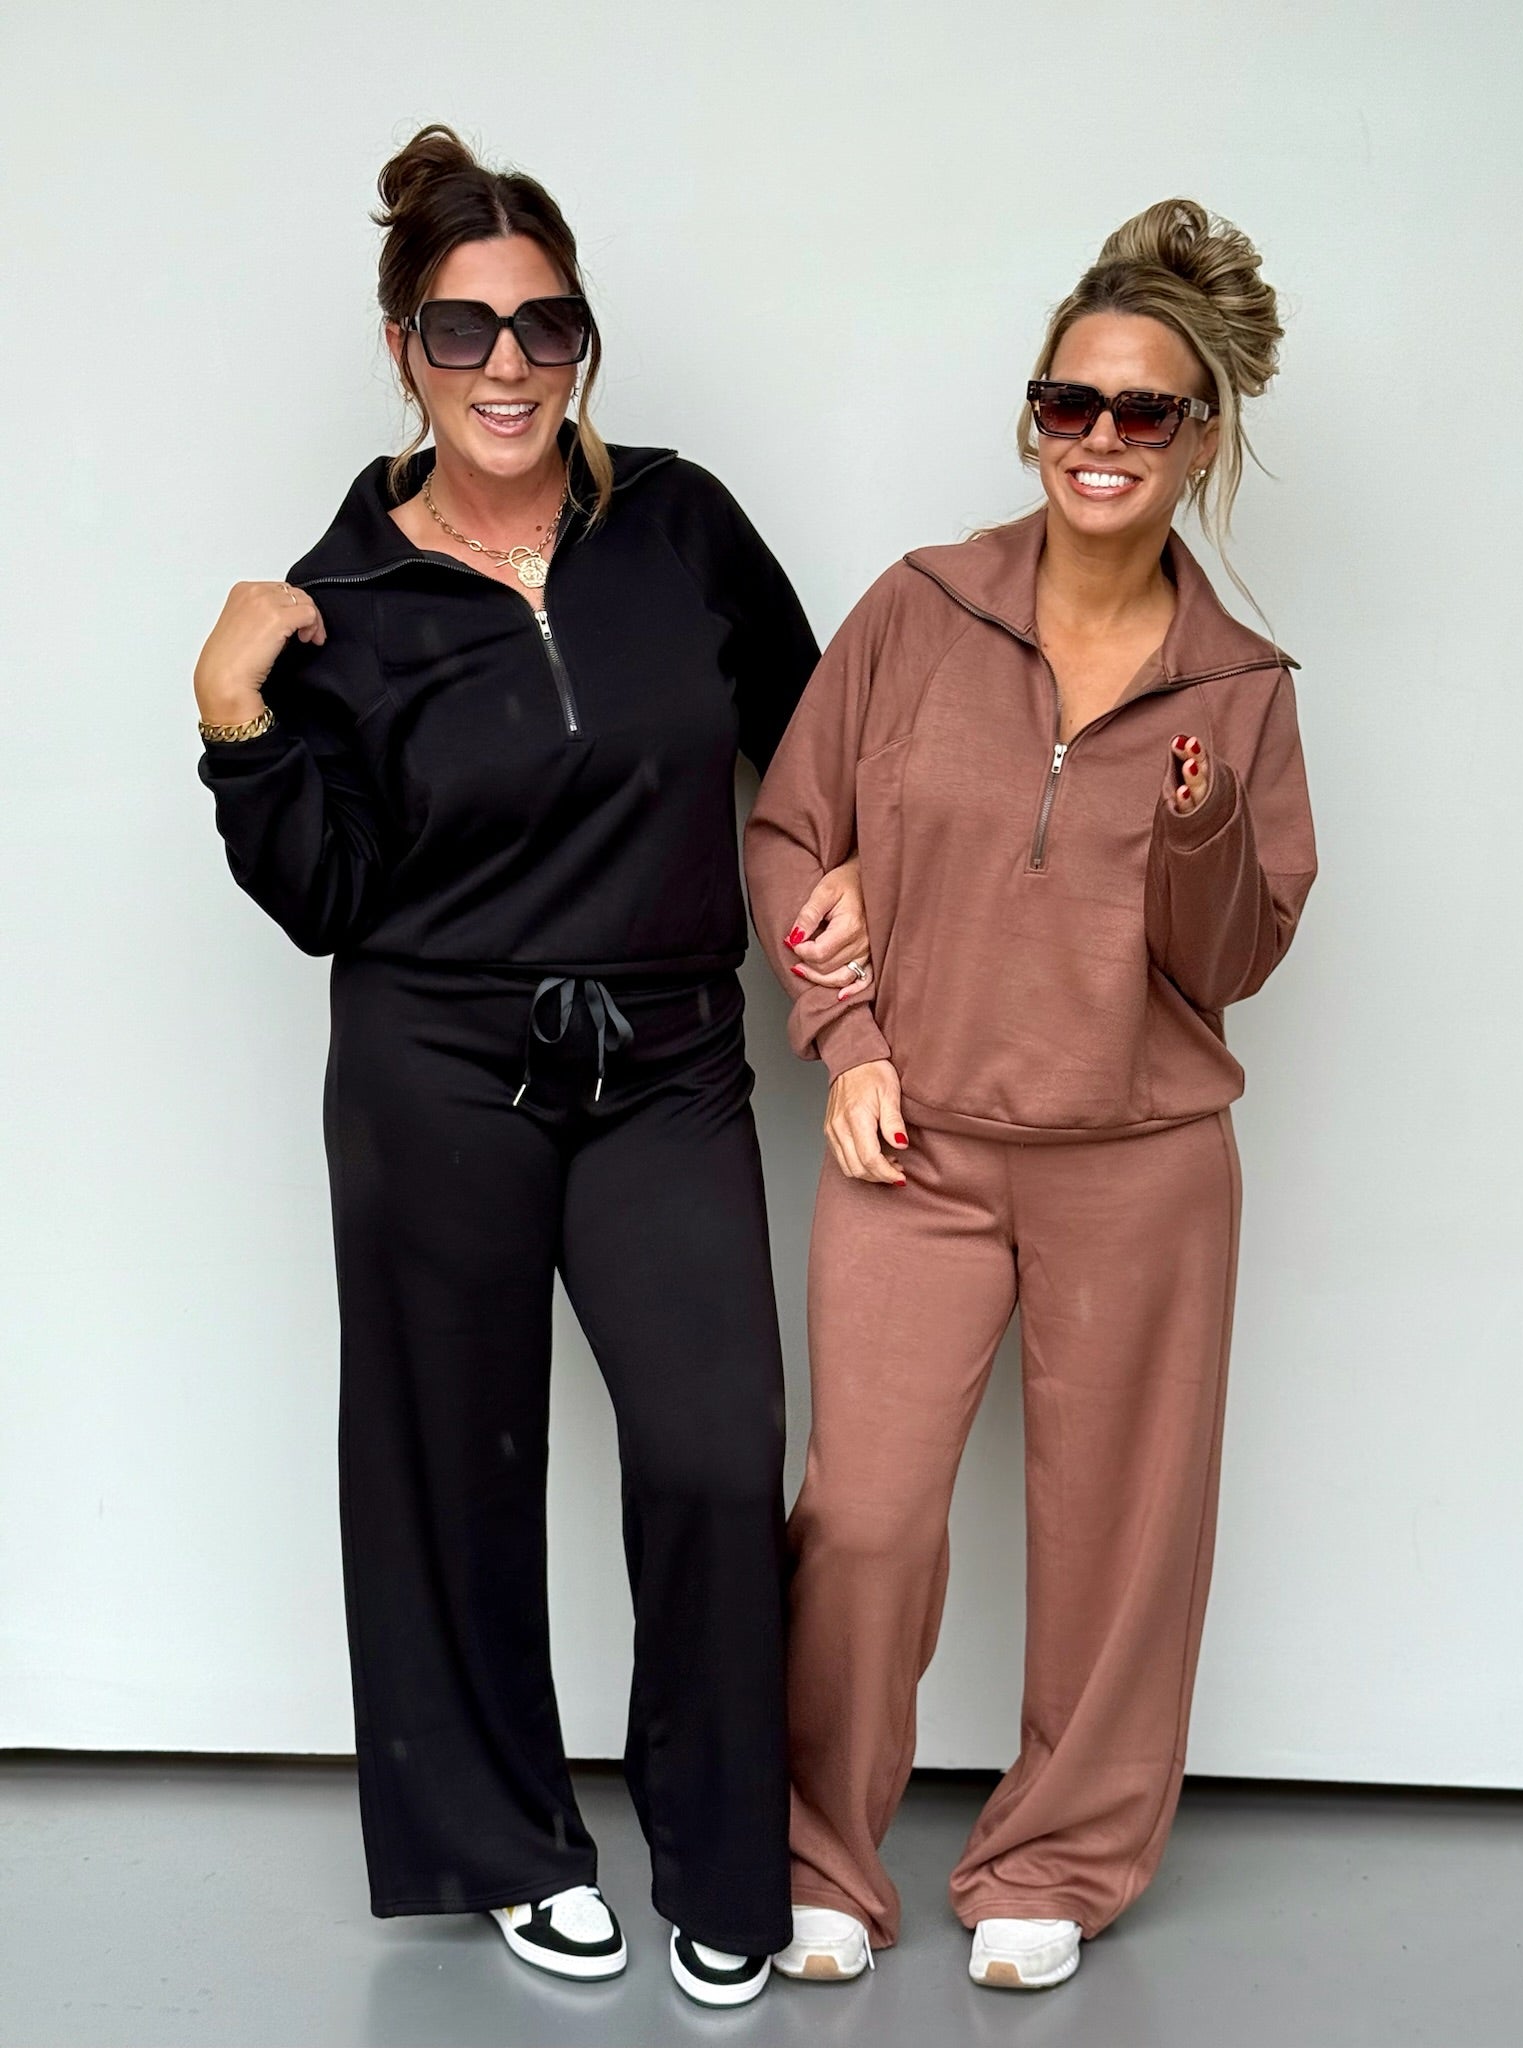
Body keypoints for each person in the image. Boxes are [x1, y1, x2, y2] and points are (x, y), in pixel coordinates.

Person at [193, 124, 867, 2010]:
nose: (508, 365)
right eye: (461, 328)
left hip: (666, 1059)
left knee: (714, 1450)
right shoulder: (344, 598)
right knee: (453, 1465)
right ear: (400, 347)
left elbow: (816, 744)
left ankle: (723, 1853)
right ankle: (505, 1846)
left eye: (544, 325)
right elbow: (324, 895)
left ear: (584, 338)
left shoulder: (681, 525)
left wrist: (850, 885)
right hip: (435, 1066)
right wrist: (237, 715)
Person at [745, 198, 1316, 1993]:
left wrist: (1202, 825)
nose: (1101, 438)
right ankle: (819, 1852)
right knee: (863, 1519)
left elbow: (1227, 965)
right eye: (1071, 403)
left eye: (1145, 411)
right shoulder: (918, 611)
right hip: (915, 1148)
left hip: (1142, 1166)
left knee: (1120, 1539)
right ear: (1031, 420)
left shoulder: (1242, 686)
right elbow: (791, 834)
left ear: (1199, 439)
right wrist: (846, 1040)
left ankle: (1055, 1860)